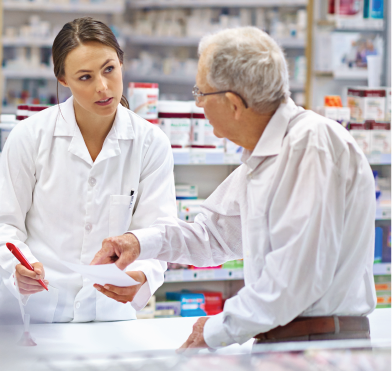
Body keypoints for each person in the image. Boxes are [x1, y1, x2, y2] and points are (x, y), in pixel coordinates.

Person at [92, 27, 376, 349]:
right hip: (288, 343)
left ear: (233, 103)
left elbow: (293, 282)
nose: (198, 105)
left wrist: (215, 330)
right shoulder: (265, 156)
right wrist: (138, 243)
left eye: (200, 93)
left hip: (320, 348)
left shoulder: (310, 147)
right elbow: (211, 237)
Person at [0, 17, 176, 324]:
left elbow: (158, 231)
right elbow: (3, 224)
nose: (103, 87)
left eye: (109, 69)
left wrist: (141, 275)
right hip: (32, 316)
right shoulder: (30, 136)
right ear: (63, 80)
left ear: (121, 63)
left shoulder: (150, 143)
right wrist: (18, 268)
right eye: (85, 77)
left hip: (108, 316)